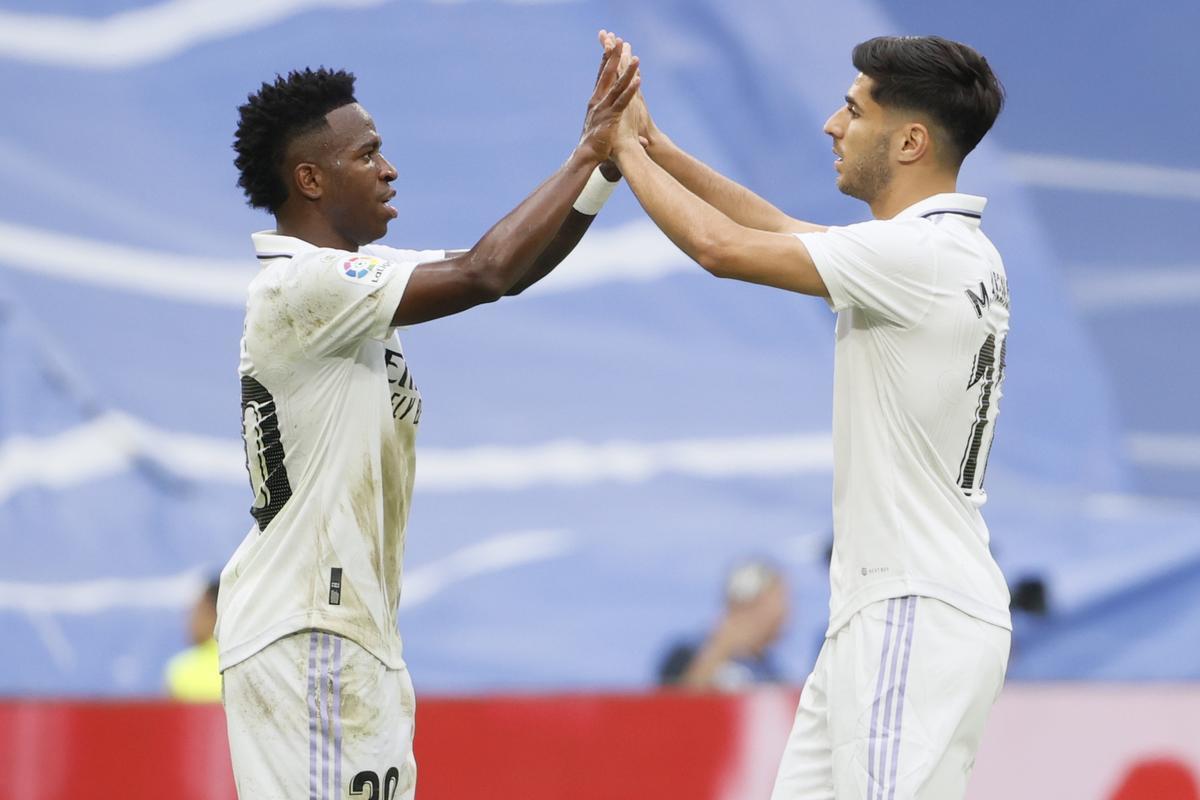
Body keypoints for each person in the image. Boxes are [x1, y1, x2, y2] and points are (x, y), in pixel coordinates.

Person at [216, 42, 640, 800]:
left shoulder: (354, 288)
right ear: (310, 178)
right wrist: (587, 150)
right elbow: (489, 269)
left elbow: (516, 265)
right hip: (309, 627)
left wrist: (606, 170)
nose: (390, 169)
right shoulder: (303, 288)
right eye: (368, 153)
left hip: (352, 631)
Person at [604, 31, 1012, 799]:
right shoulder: (942, 251)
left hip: (913, 606)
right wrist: (653, 145)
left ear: (911, 140)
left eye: (854, 110)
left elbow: (720, 248)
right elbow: (775, 229)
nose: (832, 124)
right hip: (890, 607)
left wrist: (619, 151)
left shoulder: (919, 257)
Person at [658, 559, 789, 690]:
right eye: (769, 604)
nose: (782, 614)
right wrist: (721, 648)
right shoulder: (685, 654)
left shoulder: (771, 672)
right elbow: (675, 705)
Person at [164, 577, 222, 702]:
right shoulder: (248, 658)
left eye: (195, 611)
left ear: (211, 612)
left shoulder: (182, 669)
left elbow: (171, 719)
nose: (189, 621)